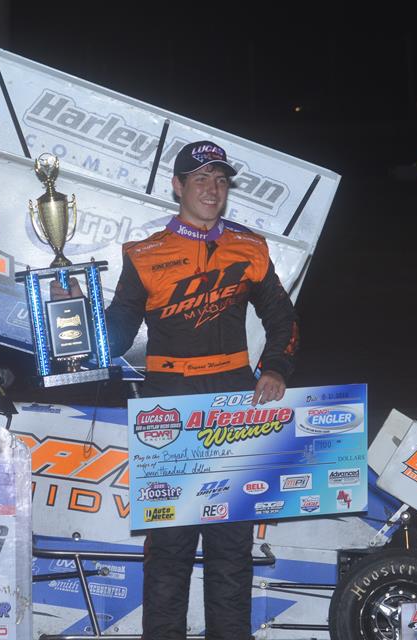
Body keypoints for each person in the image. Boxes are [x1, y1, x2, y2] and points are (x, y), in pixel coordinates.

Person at [105, 140, 299, 640]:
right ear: (178, 186)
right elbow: (120, 329)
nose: (212, 190)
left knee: (231, 549)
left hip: (233, 400)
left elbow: (283, 320)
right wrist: (76, 335)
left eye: (220, 180)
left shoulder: (249, 248)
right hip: (167, 405)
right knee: (168, 548)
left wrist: (275, 367)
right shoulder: (144, 254)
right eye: (200, 180)